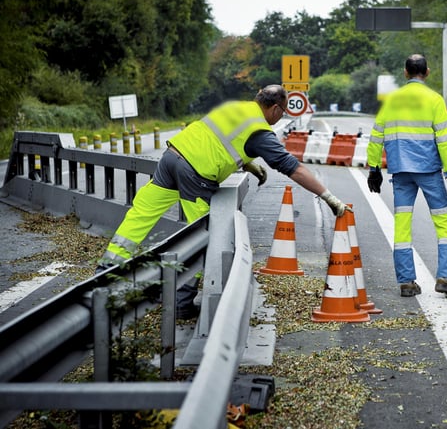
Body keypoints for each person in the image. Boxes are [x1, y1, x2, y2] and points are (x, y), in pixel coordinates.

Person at [98, 85, 350, 317]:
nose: (279, 119)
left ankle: (105, 273)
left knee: (139, 216)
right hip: (194, 173)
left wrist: (248, 164)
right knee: (198, 235)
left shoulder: (237, 107)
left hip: (171, 158)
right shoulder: (260, 130)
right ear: (275, 109)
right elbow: (292, 168)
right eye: (281, 114)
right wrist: (327, 197)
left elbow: (218, 137)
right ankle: (181, 303)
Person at [366, 54, 447, 298]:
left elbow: (377, 134)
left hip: (400, 172)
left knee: (402, 224)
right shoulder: (434, 99)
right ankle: (445, 277)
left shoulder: (392, 101)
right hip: (429, 170)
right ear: (427, 72)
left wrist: (374, 167)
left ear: (405, 72)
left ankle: (407, 282)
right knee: (444, 222)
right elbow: (444, 140)